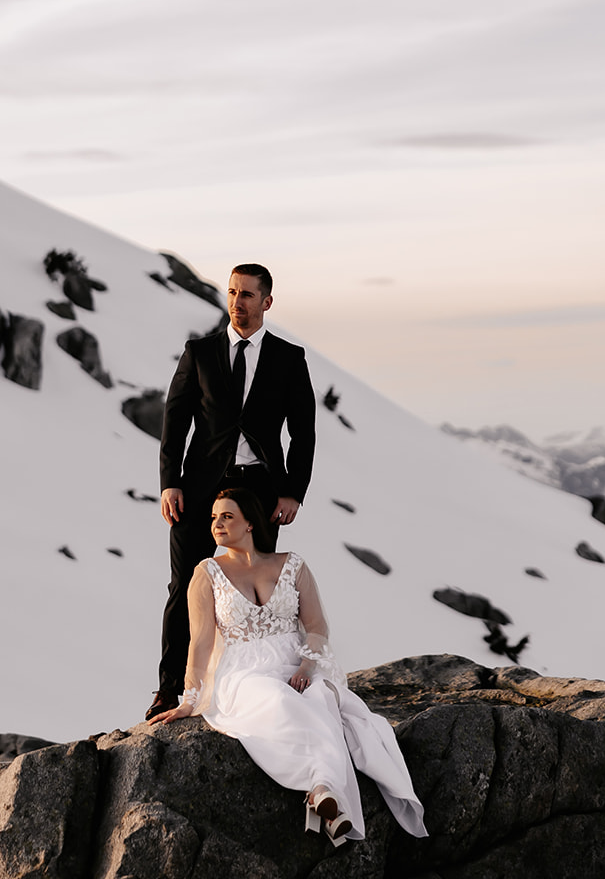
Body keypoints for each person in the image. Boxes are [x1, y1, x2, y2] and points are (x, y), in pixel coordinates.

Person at [150, 488, 427, 849]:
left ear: (250, 522)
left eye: (227, 516)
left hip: (297, 661)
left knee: (322, 702)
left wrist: (308, 666)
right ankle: (323, 791)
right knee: (279, 701)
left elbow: (315, 627)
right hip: (243, 672)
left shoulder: (292, 564)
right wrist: (190, 698)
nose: (217, 523)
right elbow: (200, 641)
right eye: (214, 518)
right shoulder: (207, 573)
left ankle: (322, 790)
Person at [147, 264, 316, 720]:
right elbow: (174, 421)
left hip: (260, 491)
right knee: (185, 586)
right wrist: (170, 482)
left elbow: (303, 434)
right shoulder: (199, 352)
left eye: (247, 295)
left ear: (267, 302)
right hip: (199, 490)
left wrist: (292, 492)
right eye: (232, 293)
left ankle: (254, 685)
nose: (237, 302)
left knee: (255, 591)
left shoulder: (288, 358)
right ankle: (170, 691)